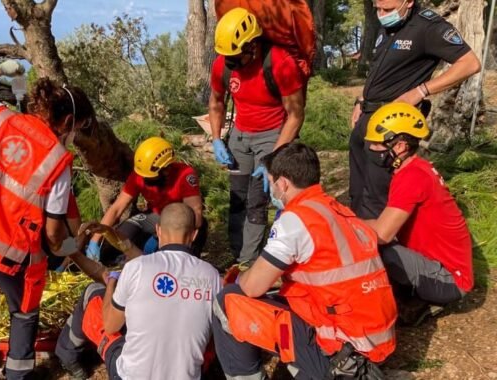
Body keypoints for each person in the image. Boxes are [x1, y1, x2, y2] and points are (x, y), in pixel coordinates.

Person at [0, 60, 96, 380]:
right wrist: (71, 249)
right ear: (67, 121)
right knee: (24, 315)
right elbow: (53, 233)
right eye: (78, 129)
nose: (74, 136)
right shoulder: (57, 159)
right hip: (5, 254)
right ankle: (17, 375)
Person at [212, 143, 397, 380]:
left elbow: (252, 287)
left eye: (271, 182)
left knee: (227, 302)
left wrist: (241, 278)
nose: (272, 190)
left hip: (341, 352)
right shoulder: (338, 210)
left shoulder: (296, 220)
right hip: (372, 340)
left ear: (283, 183)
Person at [56, 203, 222, 380]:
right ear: (194, 235)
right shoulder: (212, 276)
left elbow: (111, 325)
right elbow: (129, 248)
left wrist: (111, 283)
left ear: (158, 230)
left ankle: (67, 355)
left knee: (94, 291)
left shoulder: (138, 268)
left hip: (130, 376)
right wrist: (107, 231)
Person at [349, 0, 481, 219]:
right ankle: (356, 243)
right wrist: (361, 100)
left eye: (388, 10)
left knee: (377, 200)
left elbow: (470, 64)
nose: (381, 15)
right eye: (378, 9)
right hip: (367, 118)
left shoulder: (428, 26)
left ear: (408, 2)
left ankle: (379, 249)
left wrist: (420, 91)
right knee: (357, 193)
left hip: (392, 127)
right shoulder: (389, 25)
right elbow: (379, 70)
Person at [208, 7, 306, 264]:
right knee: (238, 197)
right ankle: (237, 253)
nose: (231, 63)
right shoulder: (223, 65)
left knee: (256, 200)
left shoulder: (280, 63)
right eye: (227, 57)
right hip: (240, 136)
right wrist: (217, 138)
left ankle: (249, 262)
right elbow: (217, 102)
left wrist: (272, 159)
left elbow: (295, 115)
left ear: (252, 45)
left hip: (273, 135)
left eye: (236, 57)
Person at [361, 103, 473, 324]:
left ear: (400, 146)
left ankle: (414, 300)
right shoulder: (416, 168)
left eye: (377, 143)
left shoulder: (411, 177)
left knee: (375, 248)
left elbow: (382, 233)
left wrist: (346, 223)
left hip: (450, 281)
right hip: (440, 268)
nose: (372, 148)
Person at [86, 137, 207, 263]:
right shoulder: (140, 175)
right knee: (121, 236)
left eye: (150, 178)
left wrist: (165, 236)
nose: (144, 180)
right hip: (154, 216)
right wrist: (95, 240)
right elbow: (117, 208)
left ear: (165, 170)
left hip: (177, 220)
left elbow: (195, 215)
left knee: (171, 256)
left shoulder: (185, 175)